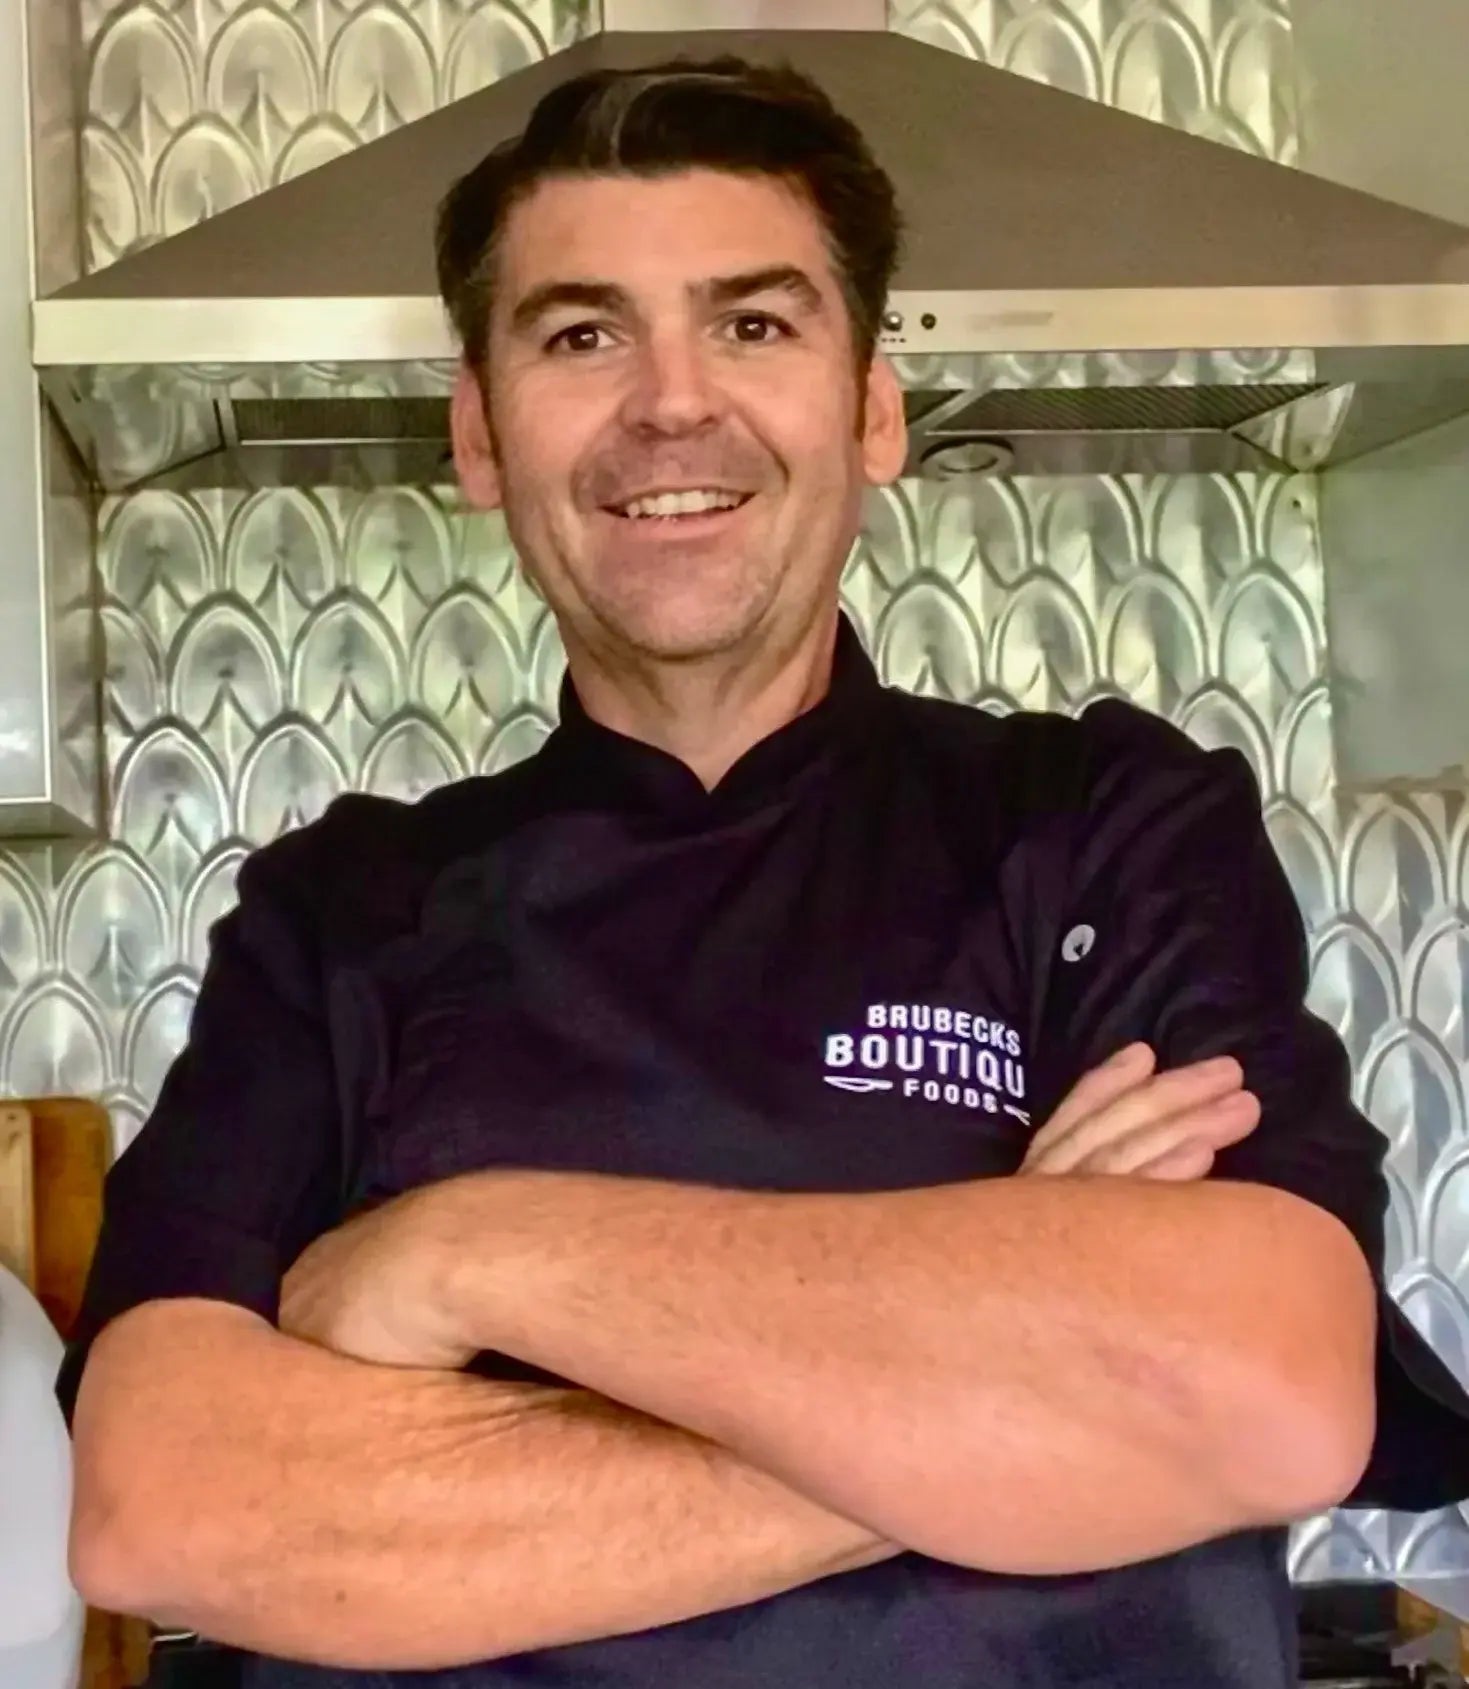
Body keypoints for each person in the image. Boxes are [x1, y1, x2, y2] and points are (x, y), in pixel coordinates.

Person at [59, 55, 1469, 1689]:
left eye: (754, 323)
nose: (671, 402)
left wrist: (468, 1250)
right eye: (581, 333)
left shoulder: (1101, 818)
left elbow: (1267, 1392)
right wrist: (1018, 1390)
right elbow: (168, 1505)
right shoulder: (338, 909)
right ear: (479, 433)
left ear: (870, 408)